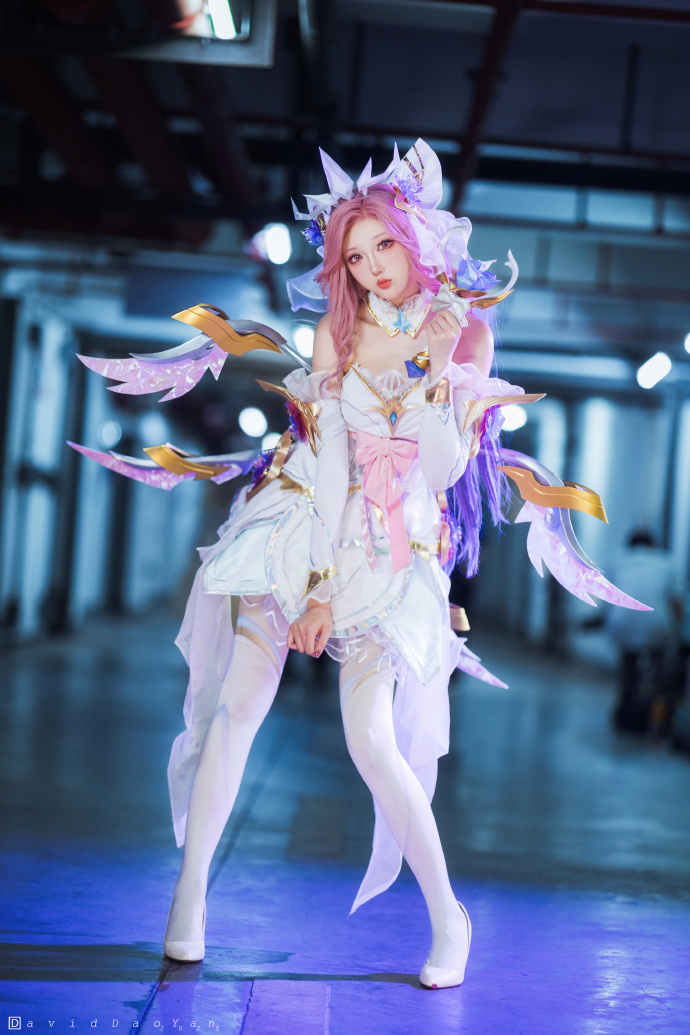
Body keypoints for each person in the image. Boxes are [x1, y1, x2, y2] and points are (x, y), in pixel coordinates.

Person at [70, 140, 650, 991]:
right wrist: (316, 584)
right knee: (238, 705)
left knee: (372, 740)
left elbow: (443, 470)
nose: (373, 267)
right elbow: (333, 457)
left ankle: (449, 916)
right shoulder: (335, 333)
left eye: (383, 245)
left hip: (394, 543)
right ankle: (187, 897)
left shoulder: (468, 330)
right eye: (353, 256)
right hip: (304, 517)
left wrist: (439, 373)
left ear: (413, 238)